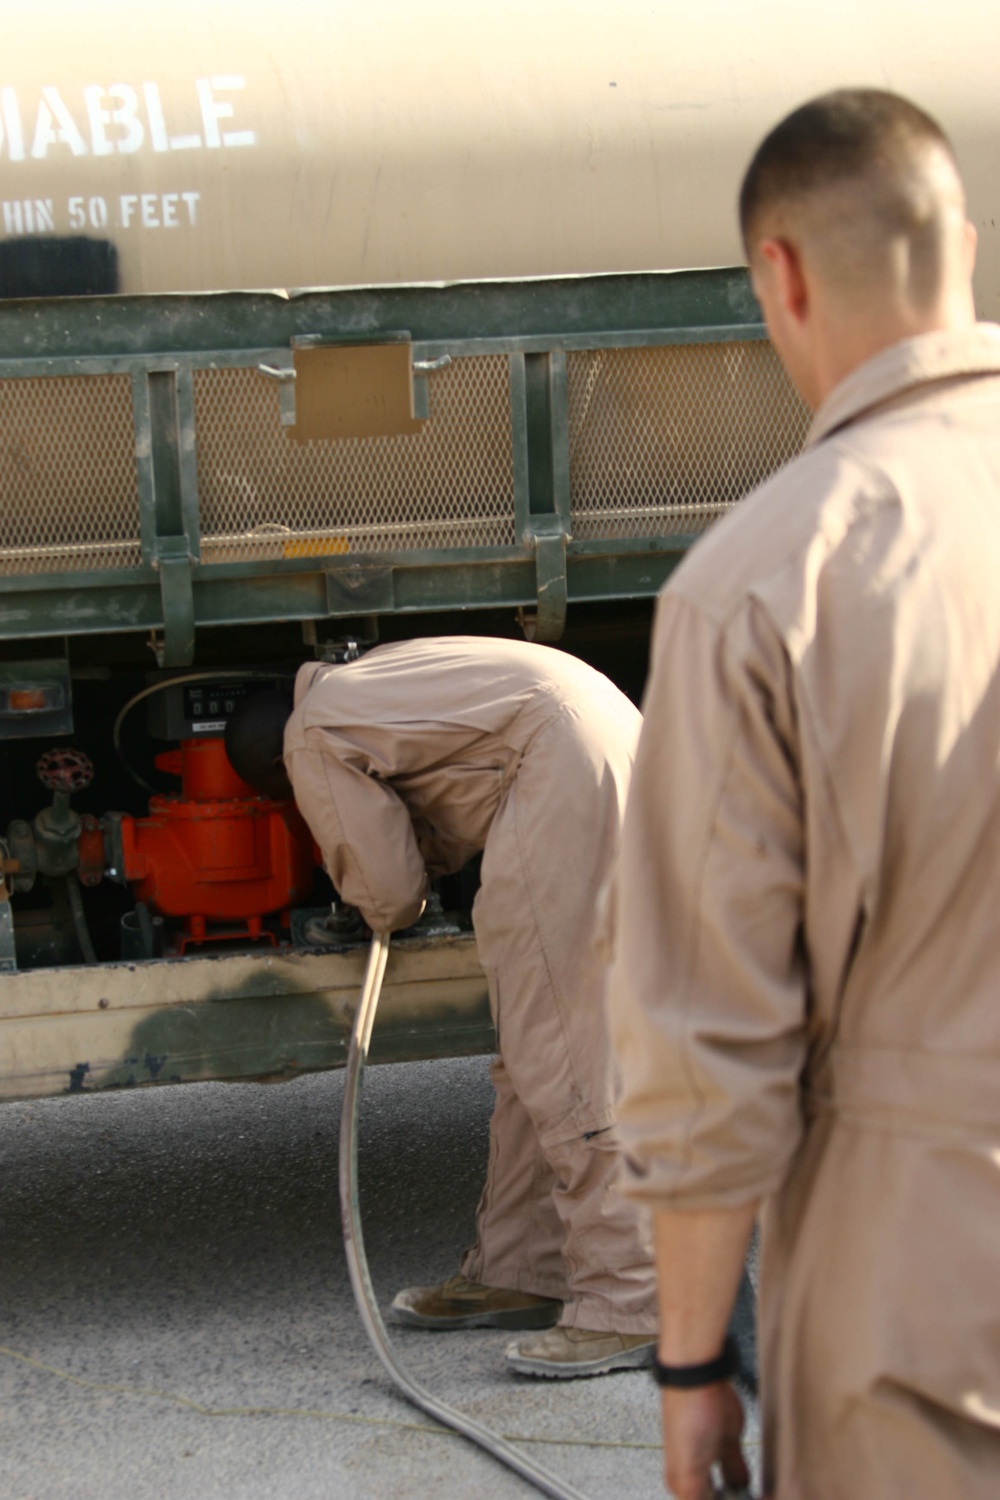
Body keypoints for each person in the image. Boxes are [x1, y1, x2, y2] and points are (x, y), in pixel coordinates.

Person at [608, 88, 1000, 1498]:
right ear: (959, 236)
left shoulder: (769, 579)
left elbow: (709, 1039)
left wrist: (691, 1364)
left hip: (930, 1285)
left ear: (778, 274)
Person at [226, 635, 658, 1377]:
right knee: (538, 1049)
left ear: (275, 769)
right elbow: (452, 784)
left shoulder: (311, 734)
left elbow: (389, 893)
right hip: (609, 744)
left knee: (566, 1054)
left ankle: (633, 1304)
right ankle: (524, 1271)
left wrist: (371, 900)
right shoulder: (367, 680)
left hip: (562, 771)